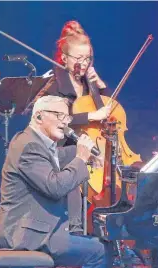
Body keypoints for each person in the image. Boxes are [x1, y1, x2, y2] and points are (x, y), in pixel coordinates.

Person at [0, 95, 112, 268]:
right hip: (26, 234)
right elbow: (55, 188)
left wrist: (88, 154)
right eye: (59, 115)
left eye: (67, 117)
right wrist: (80, 157)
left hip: (37, 231)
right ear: (39, 117)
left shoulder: (35, 142)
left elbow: (57, 156)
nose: (65, 123)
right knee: (100, 250)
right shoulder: (29, 146)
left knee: (97, 246)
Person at [45, 20, 113, 234]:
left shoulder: (88, 83)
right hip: (57, 149)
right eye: (79, 58)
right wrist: (91, 115)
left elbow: (108, 115)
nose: (83, 64)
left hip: (87, 146)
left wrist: (100, 87)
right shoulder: (55, 83)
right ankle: (76, 229)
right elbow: (56, 120)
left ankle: (110, 227)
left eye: (87, 58)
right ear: (64, 58)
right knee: (78, 161)